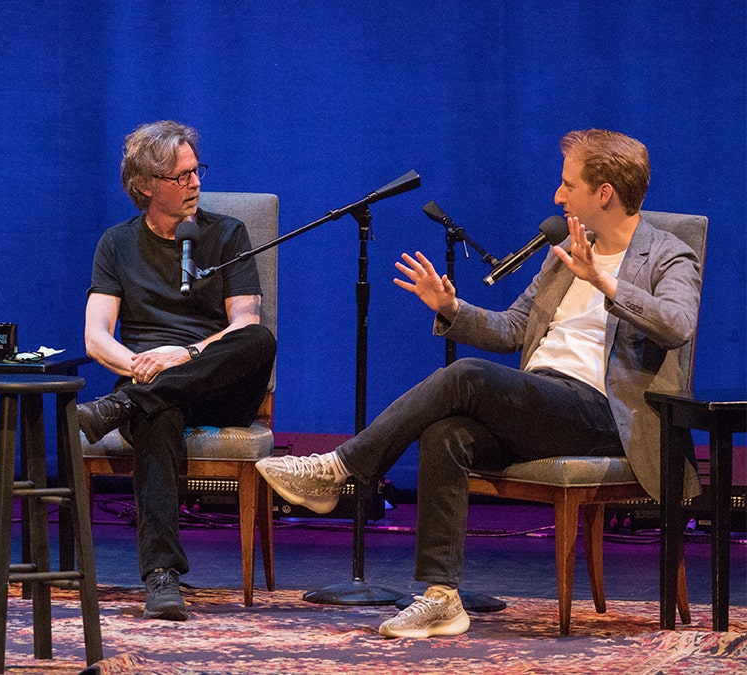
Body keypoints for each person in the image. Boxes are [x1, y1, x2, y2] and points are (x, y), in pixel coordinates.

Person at [255, 129, 701, 638]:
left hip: (608, 415)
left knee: (467, 374)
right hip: (545, 401)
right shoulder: (564, 252)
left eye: (568, 184)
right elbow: (513, 327)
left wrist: (603, 281)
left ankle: (339, 469)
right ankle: (441, 598)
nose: (558, 195)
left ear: (604, 193)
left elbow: (677, 324)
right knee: (445, 434)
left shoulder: (667, 254)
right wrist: (452, 308)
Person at [79, 120, 277, 621]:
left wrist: (183, 354)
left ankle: (120, 405)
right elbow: (96, 337)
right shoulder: (116, 243)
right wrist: (143, 369)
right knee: (157, 411)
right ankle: (161, 576)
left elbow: (244, 324)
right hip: (150, 383)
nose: (195, 183)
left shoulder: (228, 233)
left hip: (218, 383)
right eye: (181, 176)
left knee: (260, 339)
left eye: (196, 171)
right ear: (146, 185)